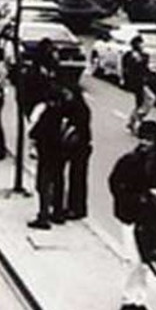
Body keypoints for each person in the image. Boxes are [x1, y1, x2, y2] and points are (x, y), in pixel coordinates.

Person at [107, 120, 156, 310]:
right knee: (133, 260)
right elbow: (115, 184)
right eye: (142, 139)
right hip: (130, 215)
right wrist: (135, 198)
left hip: (152, 218)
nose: (145, 143)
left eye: (149, 140)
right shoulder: (128, 161)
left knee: (145, 261)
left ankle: (138, 301)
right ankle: (127, 301)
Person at [27, 87, 67, 229]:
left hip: (47, 152)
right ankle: (58, 212)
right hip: (59, 152)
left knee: (43, 184)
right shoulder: (63, 112)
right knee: (57, 181)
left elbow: (36, 131)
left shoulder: (48, 114)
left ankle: (43, 216)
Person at [59, 86, 92, 221]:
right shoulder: (71, 106)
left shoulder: (80, 109)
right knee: (75, 176)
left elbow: (79, 129)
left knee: (77, 177)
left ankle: (77, 208)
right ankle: (73, 206)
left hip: (80, 147)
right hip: (74, 146)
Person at [122, 35, 153, 135]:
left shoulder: (143, 55)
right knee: (147, 100)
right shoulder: (130, 56)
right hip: (136, 83)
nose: (142, 45)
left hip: (142, 82)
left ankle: (132, 121)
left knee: (143, 101)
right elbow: (127, 69)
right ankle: (137, 119)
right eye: (140, 43)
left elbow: (145, 67)